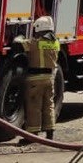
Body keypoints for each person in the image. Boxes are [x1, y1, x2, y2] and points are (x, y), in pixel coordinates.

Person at [16, 16, 60, 144]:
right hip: (50, 78)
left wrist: (19, 37)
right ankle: (50, 132)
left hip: (36, 79)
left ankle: (32, 136)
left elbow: (20, 44)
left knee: (34, 107)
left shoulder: (36, 43)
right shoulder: (55, 42)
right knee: (49, 105)